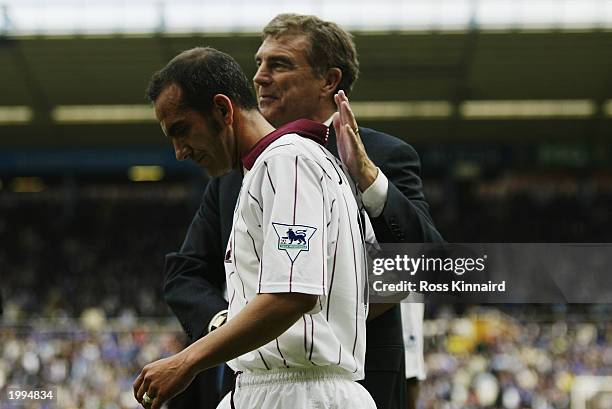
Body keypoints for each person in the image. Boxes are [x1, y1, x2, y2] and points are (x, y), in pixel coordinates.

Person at [164, 13, 443, 409]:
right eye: (259, 63)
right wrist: (227, 322)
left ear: (329, 80)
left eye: (278, 64)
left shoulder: (384, 157)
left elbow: (428, 264)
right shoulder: (230, 172)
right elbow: (184, 273)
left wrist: (366, 176)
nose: (259, 76)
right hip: (253, 386)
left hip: (352, 381)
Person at [134, 46, 377, 409]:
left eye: (181, 130)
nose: (179, 151)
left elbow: (292, 295)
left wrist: (186, 361)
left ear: (223, 109)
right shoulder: (268, 169)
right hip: (274, 387)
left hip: (301, 393)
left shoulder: (288, 161)